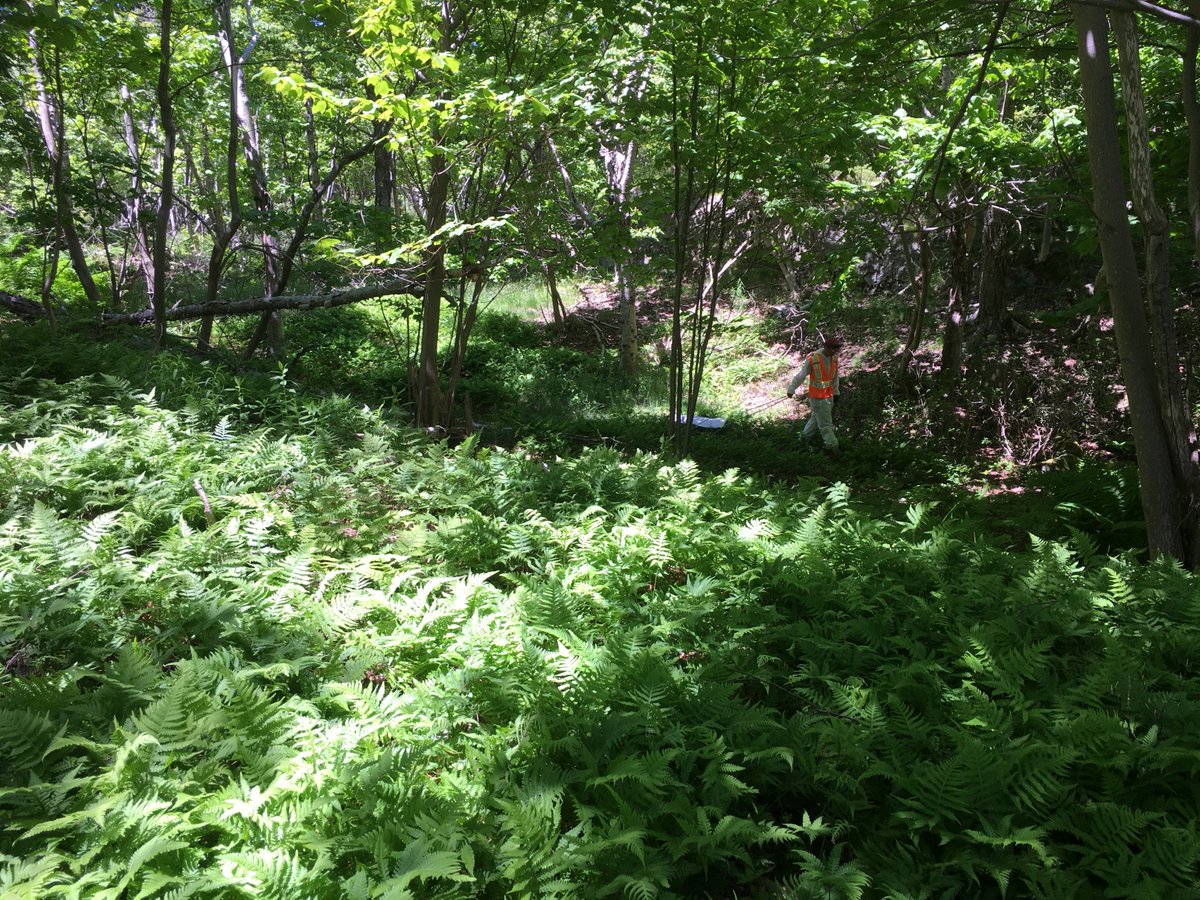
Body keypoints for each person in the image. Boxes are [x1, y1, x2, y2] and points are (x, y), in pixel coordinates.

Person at [787, 335, 842, 452]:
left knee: (816, 420)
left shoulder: (834, 358)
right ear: (826, 347)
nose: (835, 352)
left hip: (829, 396)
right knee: (826, 425)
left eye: (837, 349)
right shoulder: (813, 359)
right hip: (818, 398)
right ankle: (833, 448)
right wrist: (791, 389)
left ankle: (802, 441)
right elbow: (801, 375)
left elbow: (835, 377)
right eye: (833, 349)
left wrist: (836, 392)